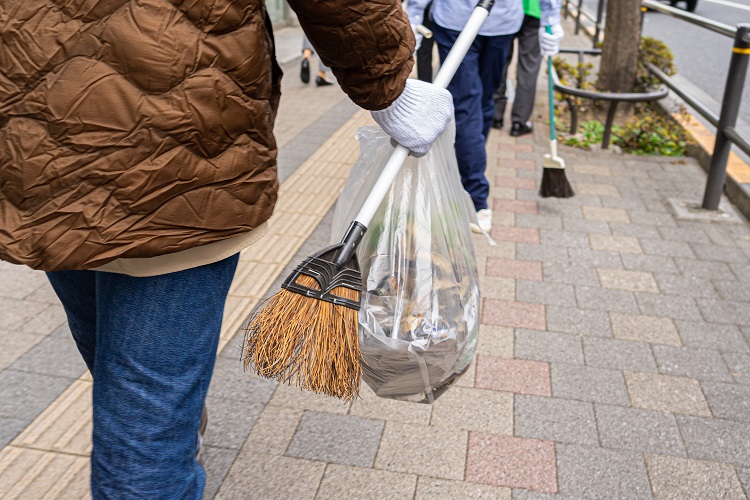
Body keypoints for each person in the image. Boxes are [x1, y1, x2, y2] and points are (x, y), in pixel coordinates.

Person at [0, 1, 452, 498]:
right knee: (144, 421)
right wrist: (386, 85)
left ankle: (174, 424)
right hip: (179, 150)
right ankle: (169, 430)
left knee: (123, 372)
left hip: (34, 138)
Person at [407, 0, 563, 233]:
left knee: (480, 101)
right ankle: (475, 196)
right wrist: (551, 18)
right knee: (470, 102)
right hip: (469, 22)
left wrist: (415, 13)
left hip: (490, 21)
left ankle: (467, 169)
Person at [492, 0, 548, 136]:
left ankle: (495, 114)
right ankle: (519, 122)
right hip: (535, 10)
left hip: (506, 10)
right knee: (529, 67)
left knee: (501, 60)